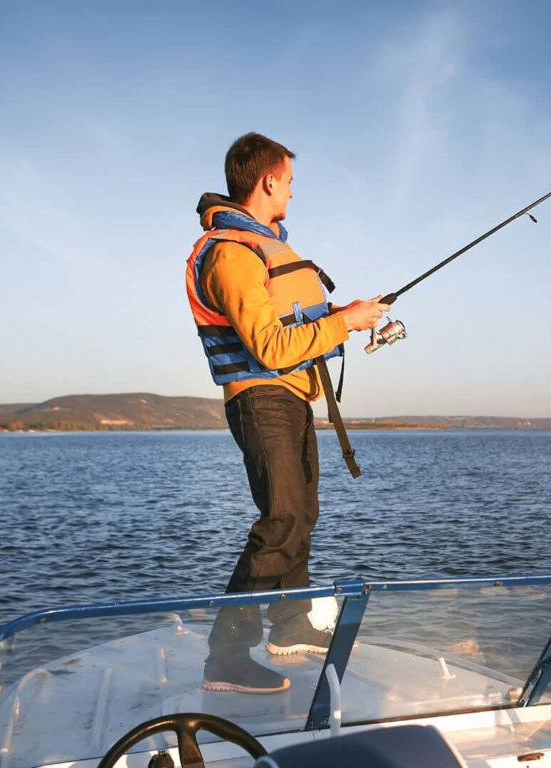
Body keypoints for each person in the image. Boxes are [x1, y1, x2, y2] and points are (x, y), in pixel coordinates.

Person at [184, 132, 388, 693]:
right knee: (280, 517)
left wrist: (343, 313)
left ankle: (291, 623)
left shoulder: (261, 245)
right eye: (290, 182)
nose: (293, 194)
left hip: (292, 397)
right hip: (260, 397)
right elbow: (269, 347)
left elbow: (289, 328)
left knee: (301, 512)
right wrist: (344, 323)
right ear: (268, 180)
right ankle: (225, 657)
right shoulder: (231, 252)